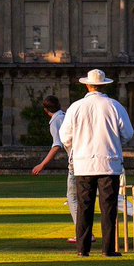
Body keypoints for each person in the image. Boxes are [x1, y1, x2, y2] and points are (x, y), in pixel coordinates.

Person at [59, 69, 133, 258]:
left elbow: (65, 136)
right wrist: (114, 143)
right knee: (108, 208)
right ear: (104, 85)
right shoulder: (115, 106)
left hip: (83, 164)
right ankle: (108, 249)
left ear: (87, 85)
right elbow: (128, 134)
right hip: (109, 162)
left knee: (85, 207)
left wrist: (77, 148)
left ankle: (83, 249)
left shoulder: (76, 107)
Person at [31, 95, 79, 242]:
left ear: (46, 110)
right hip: (84, 158)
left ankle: (84, 233)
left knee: (73, 198)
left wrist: (42, 164)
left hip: (77, 162)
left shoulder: (56, 121)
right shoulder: (65, 116)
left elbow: (56, 145)